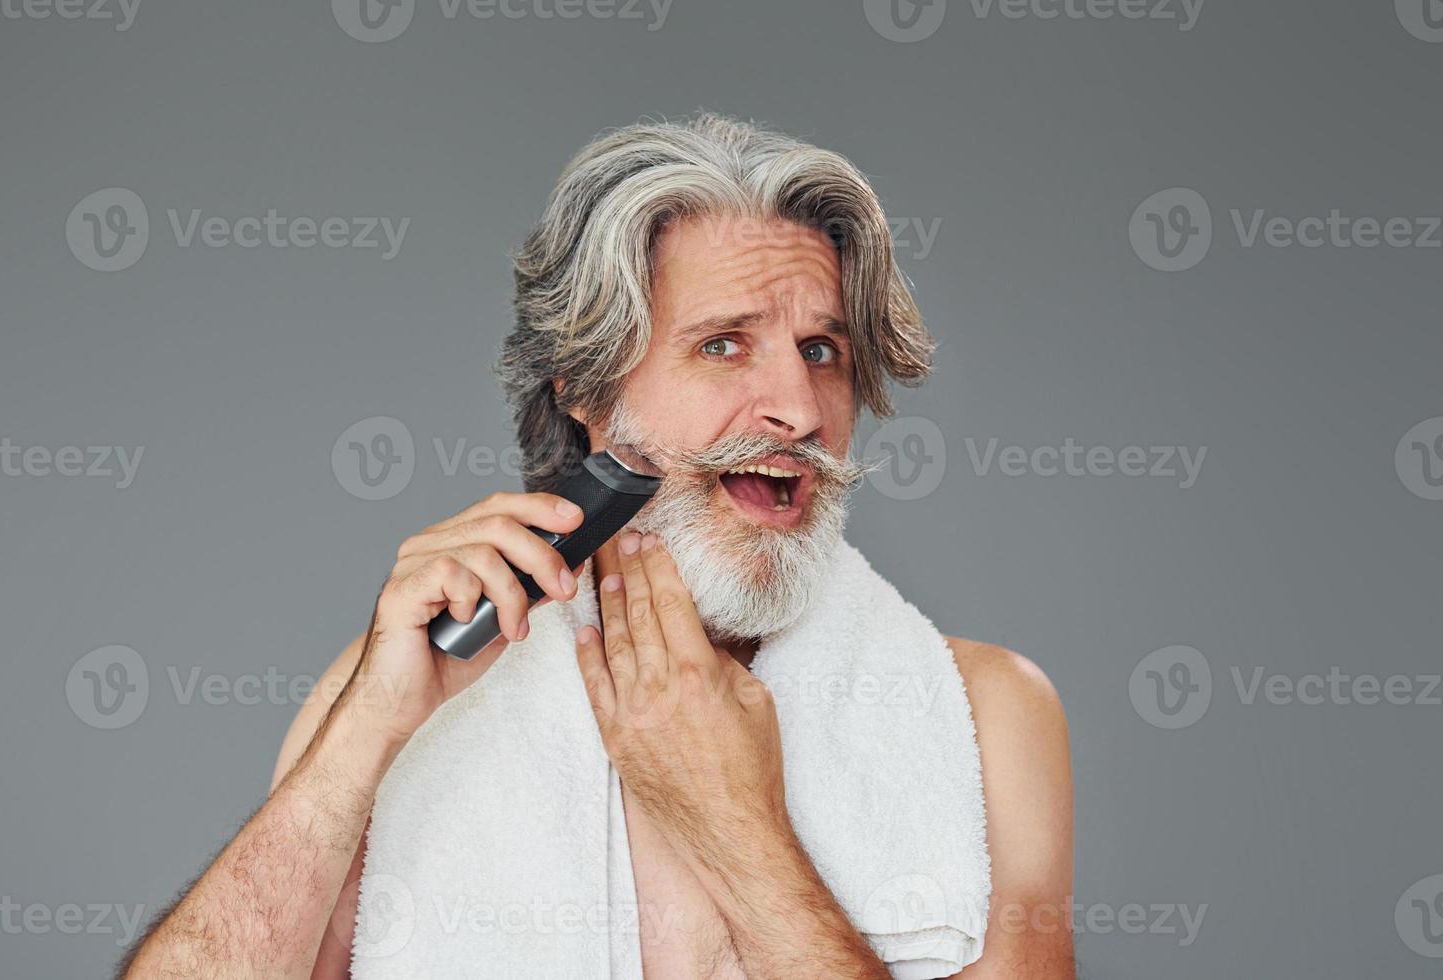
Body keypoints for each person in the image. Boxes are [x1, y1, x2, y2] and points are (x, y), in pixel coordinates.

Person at [121, 112, 1073, 979]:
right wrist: (359, 742)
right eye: (725, 345)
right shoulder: (397, 700)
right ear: (585, 387)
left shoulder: (986, 718)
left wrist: (739, 830)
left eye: (822, 350)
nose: (798, 410)